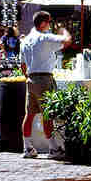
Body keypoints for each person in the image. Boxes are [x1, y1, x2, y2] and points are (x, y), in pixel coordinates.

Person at [20, 11, 71, 159]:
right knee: (47, 114)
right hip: (44, 79)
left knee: (29, 114)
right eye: (49, 22)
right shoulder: (45, 38)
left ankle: (28, 147)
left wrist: (29, 78)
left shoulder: (26, 40)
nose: (50, 25)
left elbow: (23, 65)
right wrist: (63, 29)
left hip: (30, 79)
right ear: (43, 23)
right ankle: (54, 148)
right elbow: (67, 41)